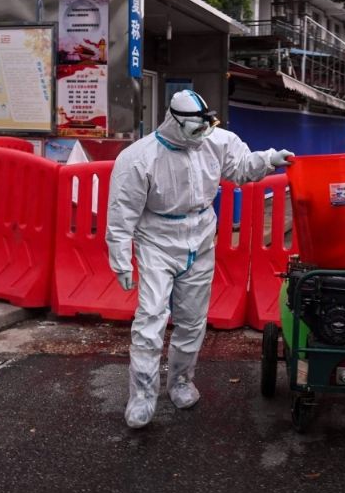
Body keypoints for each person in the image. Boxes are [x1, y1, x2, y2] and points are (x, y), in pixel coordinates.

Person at [106, 89, 294, 428]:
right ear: (175, 123)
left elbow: (240, 168)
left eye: (205, 129)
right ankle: (143, 395)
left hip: (201, 237)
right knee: (150, 319)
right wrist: (120, 258)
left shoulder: (215, 140)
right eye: (194, 131)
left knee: (193, 319)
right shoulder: (139, 158)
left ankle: (180, 381)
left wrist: (268, 160)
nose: (200, 137)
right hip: (157, 241)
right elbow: (122, 212)